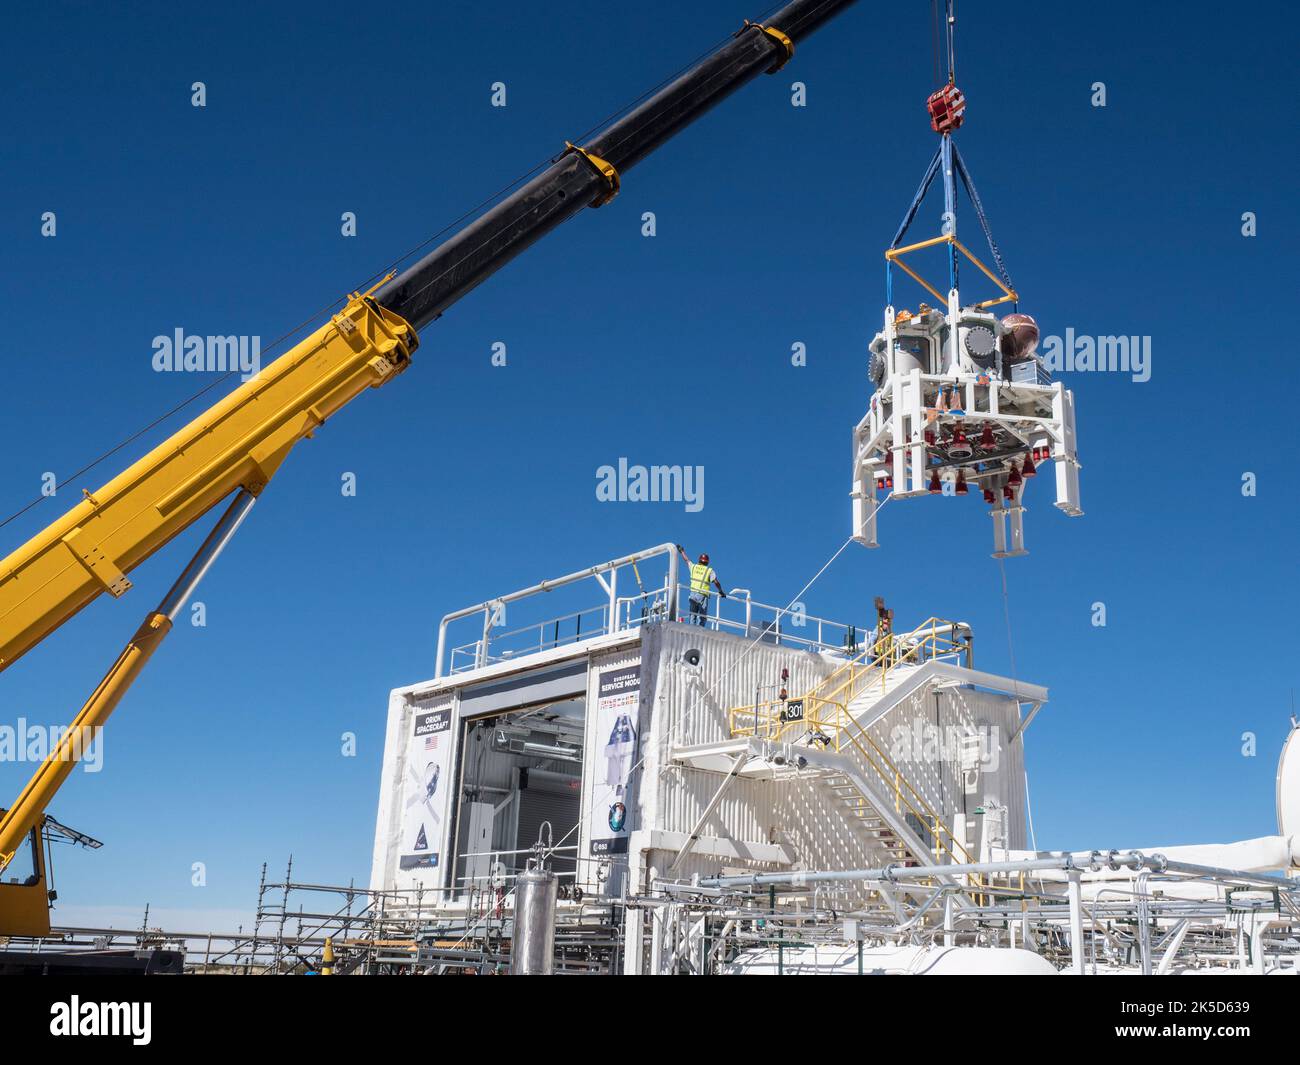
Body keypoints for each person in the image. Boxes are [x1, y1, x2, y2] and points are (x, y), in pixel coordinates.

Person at [677, 544, 725, 626]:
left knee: (692, 615)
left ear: (699, 560)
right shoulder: (709, 570)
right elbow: (716, 582)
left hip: (692, 594)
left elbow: (687, 560)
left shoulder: (694, 567)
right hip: (702, 596)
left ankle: (691, 629)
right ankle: (700, 630)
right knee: (702, 617)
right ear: (707, 562)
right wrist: (721, 591)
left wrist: (682, 551)